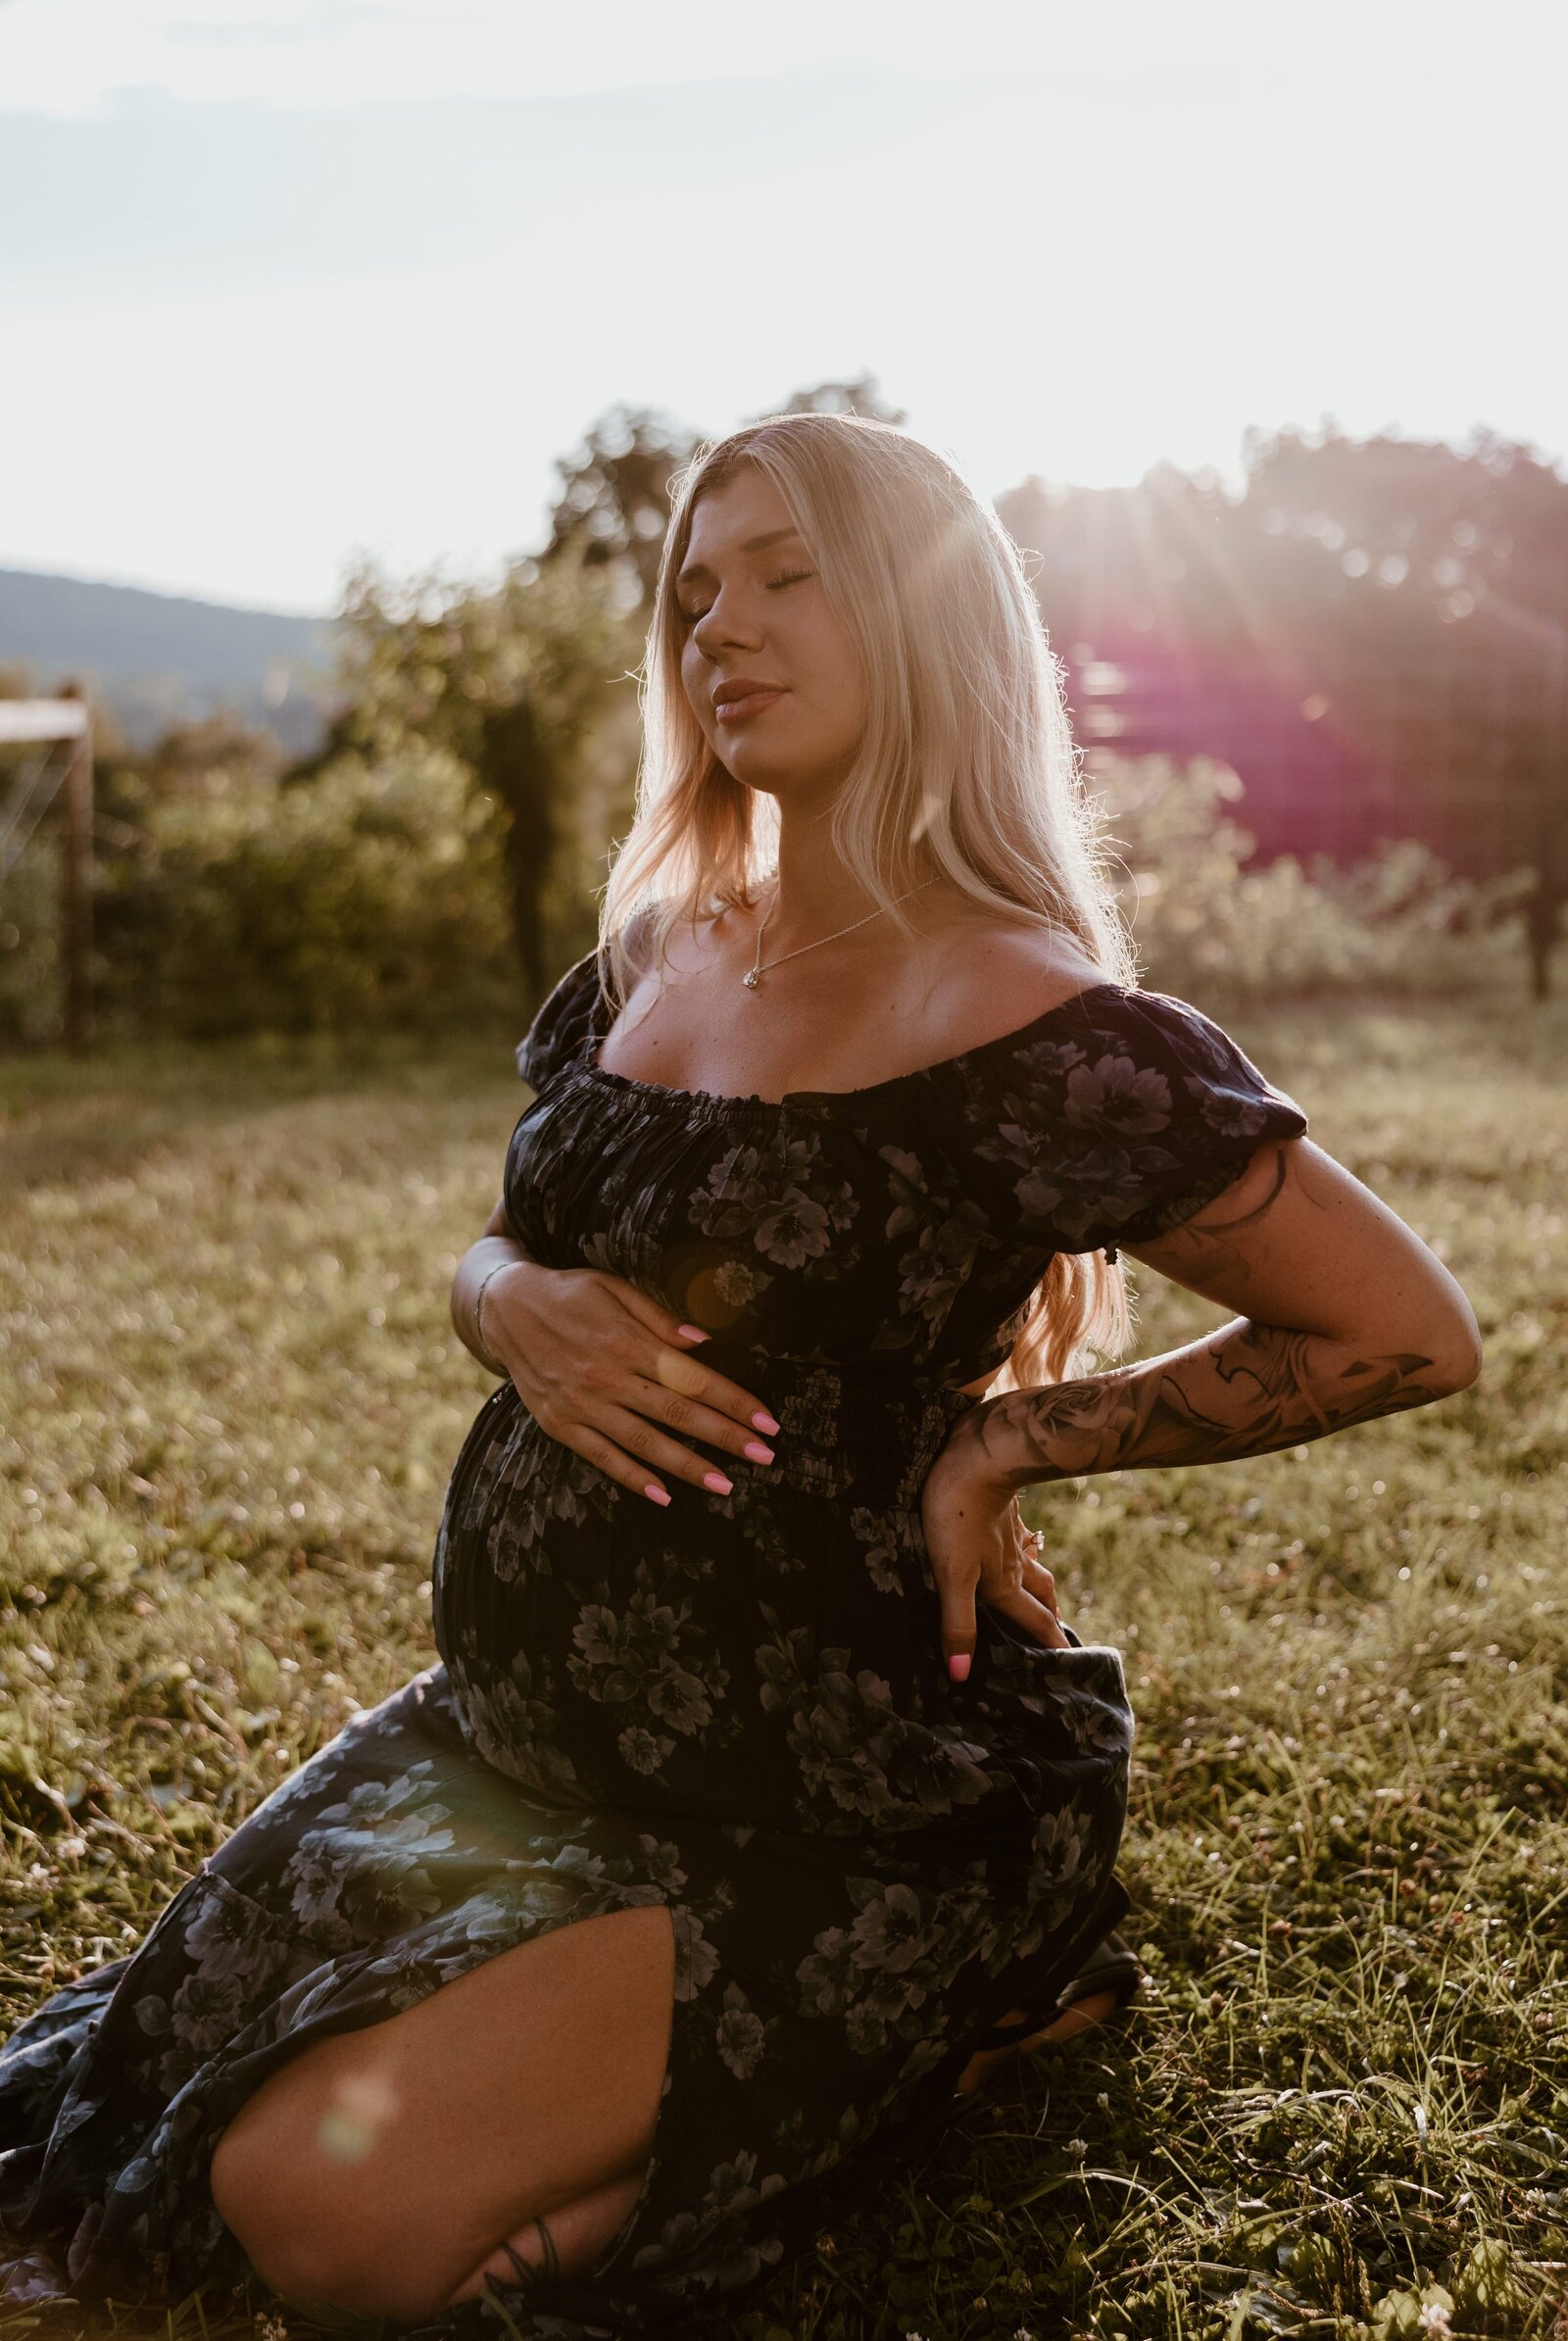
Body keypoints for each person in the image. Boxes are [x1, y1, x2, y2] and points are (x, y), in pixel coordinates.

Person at [0, 414, 1483, 2338]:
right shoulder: (657, 955)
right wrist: (495, 1303)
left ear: (926, 616)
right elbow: (523, 1243)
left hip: (829, 1798)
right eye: (696, 592)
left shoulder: (1032, 1024)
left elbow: (1399, 1329)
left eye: (786, 574)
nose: (722, 627)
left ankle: (962, 2001)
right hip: (510, 1749)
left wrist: (1009, 1439)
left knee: (320, 2221)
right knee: (130, 2106)